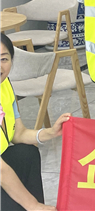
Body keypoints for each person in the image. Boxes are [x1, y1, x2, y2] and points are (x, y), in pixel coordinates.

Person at [1, 34, 71, 211]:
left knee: (27, 153)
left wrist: (50, 132)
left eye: (3, 59)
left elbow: (18, 134)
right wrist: (32, 205)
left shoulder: (5, 85)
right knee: (20, 200)